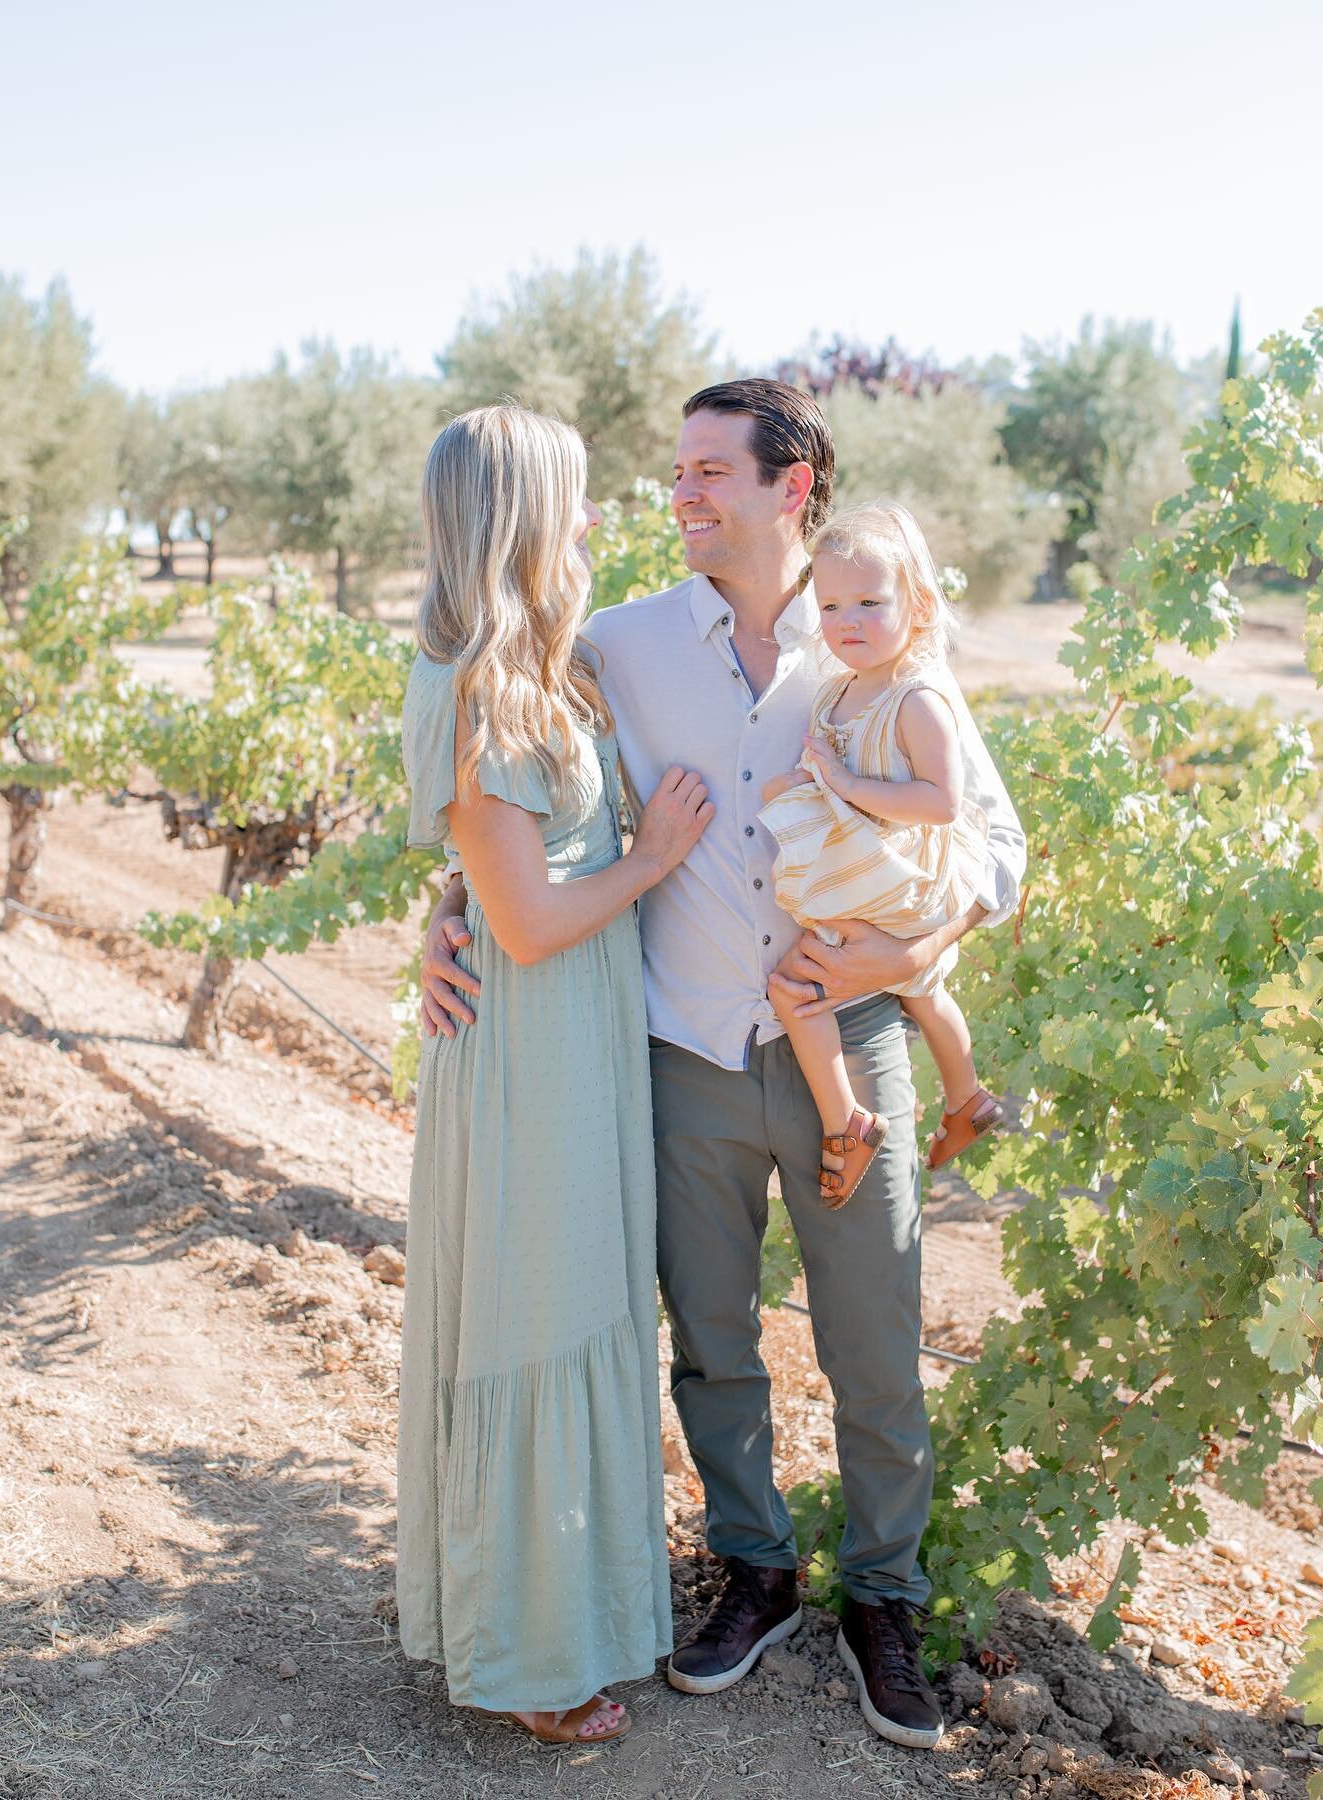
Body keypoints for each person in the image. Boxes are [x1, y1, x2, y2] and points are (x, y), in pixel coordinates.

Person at [419, 380, 1026, 1752]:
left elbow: (996, 847)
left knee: (877, 1347)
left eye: (707, 472)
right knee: (710, 1343)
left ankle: (885, 1596)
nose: (680, 493)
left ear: (789, 488)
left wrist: (898, 953)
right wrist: (444, 927)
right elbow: (506, 794)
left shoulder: (873, 634)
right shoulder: (615, 645)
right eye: (674, 472)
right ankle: (754, 1573)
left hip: (849, 1054)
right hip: (680, 1052)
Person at [395, 404, 714, 1746]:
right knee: (535, 1325)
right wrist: (652, 859)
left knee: (580, 1310)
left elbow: (491, 885)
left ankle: (559, 1617)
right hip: (531, 1057)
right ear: (523, 515)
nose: (590, 522)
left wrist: (445, 904)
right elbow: (522, 922)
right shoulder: (477, 683)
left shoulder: (542, 669)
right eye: (573, 501)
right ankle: (526, 1658)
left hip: (572, 1045)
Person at [758, 501, 1003, 1207]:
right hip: (883, 871)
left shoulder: (917, 698)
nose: (848, 622)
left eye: (870, 602)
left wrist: (843, 783)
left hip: (901, 877)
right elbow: (830, 770)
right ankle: (966, 1097)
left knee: (794, 990)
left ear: (919, 607)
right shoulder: (838, 689)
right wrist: (806, 782)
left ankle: (848, 1122)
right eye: (831, 605)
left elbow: (942, 802)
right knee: (923, 987)